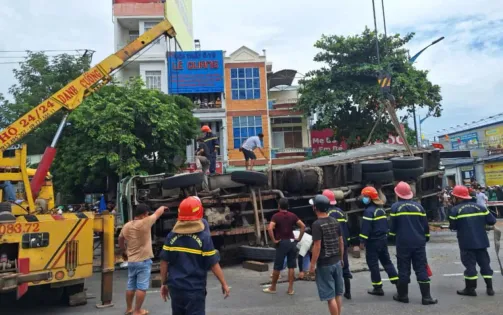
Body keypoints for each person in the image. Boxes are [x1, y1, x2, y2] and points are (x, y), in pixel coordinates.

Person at [160, 196, 230, 313]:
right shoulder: (203, 237)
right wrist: (224, 284)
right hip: (194, 290)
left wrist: (164, 283)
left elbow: (164, 262)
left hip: (175, 288)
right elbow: (213, 264)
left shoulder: (171, 236)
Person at [390, 181, 438, 305]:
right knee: (421, 269)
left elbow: (392, 228)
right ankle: (426, 297)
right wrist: (425, 238)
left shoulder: (395, 207)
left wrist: (391, 238)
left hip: (403, 244)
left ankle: (403, 296)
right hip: (419, 243)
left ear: (398, 194)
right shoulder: (419, 207)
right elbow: (425, 227)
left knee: (403, 270)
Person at [119, 203, 167, 315]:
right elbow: (157, 213)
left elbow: (121, 239)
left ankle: (129, 309)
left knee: (131, 285)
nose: (148, 215)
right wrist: (163, 207)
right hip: (143, 261)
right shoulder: (145, 222)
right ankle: (137, 311)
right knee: (142, 287)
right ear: (144, 215)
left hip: (131, 261)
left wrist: (124, 250)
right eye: (147, 214)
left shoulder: (127, 226)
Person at [449, 185, 497, 296]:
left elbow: (453, 226)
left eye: (454, 197)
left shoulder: (455, 210)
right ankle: (490, 289)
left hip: (466, 243)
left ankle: (470, 289)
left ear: (458, 197)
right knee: (485, 265)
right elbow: (492, 221)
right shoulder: (481, 207)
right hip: (482, 242)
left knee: (470, 266)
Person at [359, 186, 399, 296]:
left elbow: (365, 228)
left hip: (373, 242)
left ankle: (377, 288)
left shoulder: (369, 211)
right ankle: (398, 283)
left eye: (365, 196)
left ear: (370, 198)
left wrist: (362, 241)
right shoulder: (381, 209)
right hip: (383, 240)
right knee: (387, 262)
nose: (363, 198)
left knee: (373, 265)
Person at [309, 194, 344, 315]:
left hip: (325, 264)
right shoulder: (335, 221)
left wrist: (312, 265)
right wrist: (341, 258)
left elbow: (317, 246)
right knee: (338, 294)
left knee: (330, 297)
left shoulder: (317, 224)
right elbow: (341, 241)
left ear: (315, 208)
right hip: (337, 261)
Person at [264, 198, 305, 295]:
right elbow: (302, 226)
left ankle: (273, 287)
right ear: (288, 206)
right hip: (291, 242)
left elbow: (270, 228)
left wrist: (274, 240)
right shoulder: (293, 215)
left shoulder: (276, 216)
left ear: (279, 206)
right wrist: (298, 238)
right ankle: (290, 289)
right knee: (291, 266)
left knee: (277, 266)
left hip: (282, 243)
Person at [323, 189, 352, 300]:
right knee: (344, 266)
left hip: (334, 244)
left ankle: (335, 292)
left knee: (333, 267)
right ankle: (348, 292)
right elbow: (346, 228)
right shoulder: (341, 211)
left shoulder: (327, 214)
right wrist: (347, 241)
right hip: (343, 242)